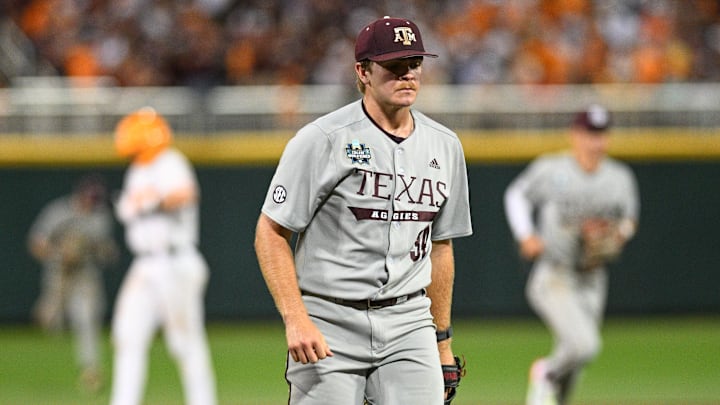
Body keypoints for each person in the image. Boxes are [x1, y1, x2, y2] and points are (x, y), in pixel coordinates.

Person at [254, 16, 473, 405]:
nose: (407, 75)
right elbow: (270, 233)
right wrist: (295, 318)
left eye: (414, 64)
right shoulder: (322, 139)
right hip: (330, 320)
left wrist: (442, 341)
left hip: (409, 321)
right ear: (363, 71)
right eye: (393, 66)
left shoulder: (445, 145)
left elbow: (441, 247)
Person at [504, 104, 640, 405]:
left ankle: (553, 389)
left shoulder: (619, 177)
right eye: (591, 134)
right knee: (584, 347)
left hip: (593, 277)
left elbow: (629, 220)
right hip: (555, 274)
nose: (597, 142)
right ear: (575, 135)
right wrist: (525, 234)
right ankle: (545, 372)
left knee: (575, 367)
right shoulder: (552, 168)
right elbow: (516, 195)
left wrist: (617, 234)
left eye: (602, 134)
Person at [109, 107, 217, 405]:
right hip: (145, 264)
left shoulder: (170, 161)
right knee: (127, 336)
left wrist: (151, 202)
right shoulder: (137, 169)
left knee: (185, 343)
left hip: (175, 261)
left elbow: (185, 194)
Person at [27, 173, 118, 391]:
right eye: (89, 197)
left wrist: (98, 251)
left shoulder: (100, 217)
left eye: (96, 199)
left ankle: (91, 370)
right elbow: (36, 242)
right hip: (58, 272)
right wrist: (58, 253)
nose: (92, 202)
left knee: (87, 319)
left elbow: (107, 251)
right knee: (51, 323)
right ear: (79, 194)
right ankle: (48, 309)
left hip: (85, 273)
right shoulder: (59, 211)